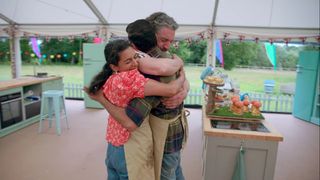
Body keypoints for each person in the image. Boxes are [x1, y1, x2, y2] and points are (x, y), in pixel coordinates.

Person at [86, 13, 190, 180]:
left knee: (173, 169)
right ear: (151, 34)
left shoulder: (160, 61)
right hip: (158, 138)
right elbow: (131, 121)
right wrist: (181, 72)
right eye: (164, 40)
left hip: (168, 134)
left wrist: (184, 89)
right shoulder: (143, 73)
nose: (167, 46)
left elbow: (175, 84)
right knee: (172, 170)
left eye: (171, 41)